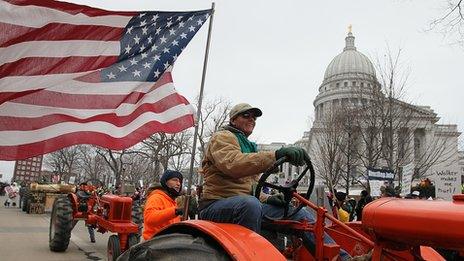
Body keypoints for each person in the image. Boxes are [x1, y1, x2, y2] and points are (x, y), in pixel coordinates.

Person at [198, 103, 350, 260]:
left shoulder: (248, 146)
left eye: (254, 117)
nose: (252, 120)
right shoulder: (222, 137)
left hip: (245, 204)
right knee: (250, 205)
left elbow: (251, 187)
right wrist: (275, 155)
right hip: (216, 204)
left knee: (299, 214)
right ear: (233, 120)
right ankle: (250, 256)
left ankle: (341, 258)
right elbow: (233, 164)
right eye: (246, 116)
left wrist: (269, 198)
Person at [143, 170, 184, 240]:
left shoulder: (171, 200)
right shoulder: (156, 197)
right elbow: (149, 218)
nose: (178, 184)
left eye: (180, 181)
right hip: (154, 243)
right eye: (175, 180)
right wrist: (175, 211)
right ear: (165, 182)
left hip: (167, 242)